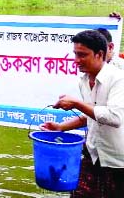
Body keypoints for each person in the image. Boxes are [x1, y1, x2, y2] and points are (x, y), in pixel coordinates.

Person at [40, 30, 124, 197]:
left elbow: (114, 117)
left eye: (82, 55)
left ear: (100, 54)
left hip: (118, 161)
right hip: (93, 154)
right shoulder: (84, 80)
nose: (76, 60)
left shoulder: (118, 79)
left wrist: (77, 103)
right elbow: (92, 115)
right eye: (75, 54)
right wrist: (61, 127)